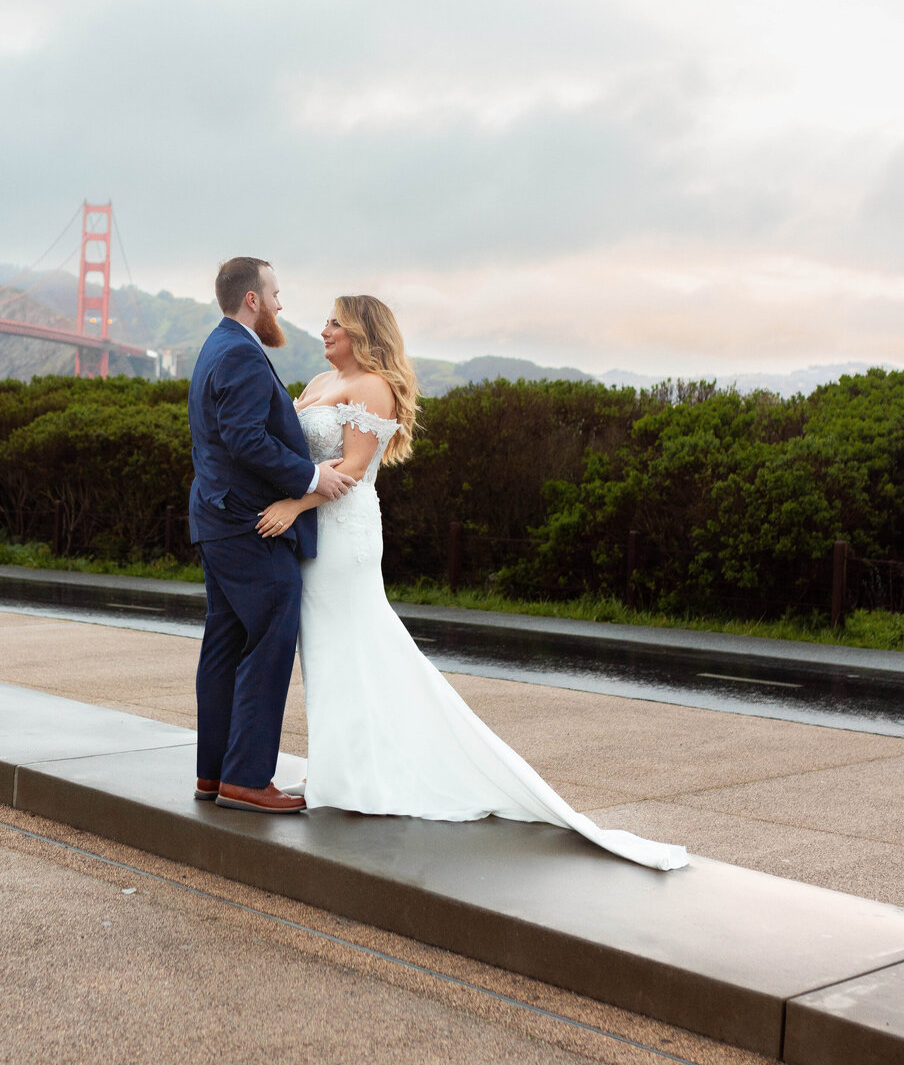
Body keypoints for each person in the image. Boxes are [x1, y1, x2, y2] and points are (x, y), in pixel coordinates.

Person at [255, 294, 689, 872]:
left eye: (336, 321)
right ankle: (340, 769)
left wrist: (291, 503)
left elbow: (354, 472)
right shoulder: (315, 381)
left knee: (357, 645)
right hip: (313, 534)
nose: (325, 328)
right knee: (329, 652)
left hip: (343, 535)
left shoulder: (374, 388)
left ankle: (367, 774)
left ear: (362, 331)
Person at [188, 256, 356, 813]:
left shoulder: (218, 345)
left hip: (219, 519)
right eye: (276, 293)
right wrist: (311, 476)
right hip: (248, 523)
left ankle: (213, 776)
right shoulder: (239, 351)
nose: (282, 304)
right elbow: (243, 439)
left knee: (224, 644)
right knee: (271, 640)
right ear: (253, 300)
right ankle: (247, 779)